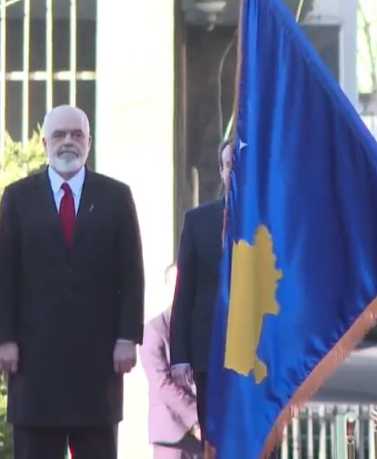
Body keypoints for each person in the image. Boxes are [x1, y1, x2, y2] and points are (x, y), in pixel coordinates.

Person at [0, 105, 145, 459]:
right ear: (45, 143)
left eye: (77, 134)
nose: (68, 142)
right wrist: (4, 339)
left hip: (98, 363)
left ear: (89, 141)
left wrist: (127, 337)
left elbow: (131, 273)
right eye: (59, 135)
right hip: (34, 363)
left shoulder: (116, 197)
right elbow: (4, 274)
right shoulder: (18, 198)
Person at [169, 141, 232, 438]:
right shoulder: (198, 221)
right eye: (229, 165)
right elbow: (184, 292)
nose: (235, 171)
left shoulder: (274, 220)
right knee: (216, 442)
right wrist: (180, 355)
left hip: (261, 359)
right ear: (221, 171)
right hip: (210, 354)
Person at [142, 264, 203, 459]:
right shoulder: (153, 331)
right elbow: (162, 384)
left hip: (206, 437)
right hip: (172, 433)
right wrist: (196, 417)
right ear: (168, 289)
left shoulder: (203, 328)